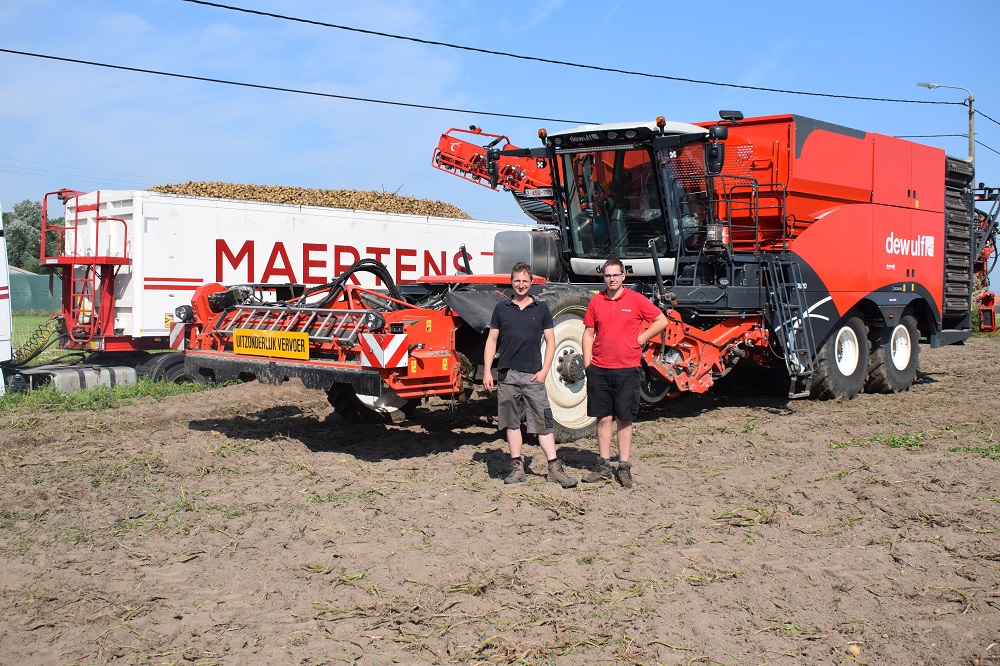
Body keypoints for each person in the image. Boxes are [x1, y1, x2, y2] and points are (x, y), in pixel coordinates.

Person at [483, 263, 578, 488]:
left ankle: (554, 467)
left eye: (525, 281)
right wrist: (488, 371)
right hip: (507, 376)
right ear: (511, 282)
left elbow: (552, 341)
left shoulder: (541, 308)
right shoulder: (502, 309)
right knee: (511, 422)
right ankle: (517, 467)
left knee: (543, 423)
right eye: (517, 281)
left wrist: (545, 371)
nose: (521, 285)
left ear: (531, 282)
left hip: (533, 376)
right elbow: (491, 341)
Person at [581, 258, 669, 488]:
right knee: (603, 418)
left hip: (627, 368)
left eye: (615, 275)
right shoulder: (596, 301)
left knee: (624, 418)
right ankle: (602, 464)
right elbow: (588, 333)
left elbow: (661, 320)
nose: (611, 279)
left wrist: (641, 339)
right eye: (607, 276)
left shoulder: (636, 300)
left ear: (623, 277)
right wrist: (587, 363)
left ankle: (624, 466)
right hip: (599, 368)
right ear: (604, 277)